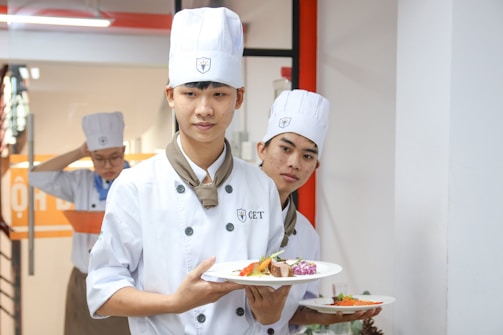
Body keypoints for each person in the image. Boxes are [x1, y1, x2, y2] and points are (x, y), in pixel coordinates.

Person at [86, 7, 287, 335]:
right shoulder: (137, 185)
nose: (204, 109)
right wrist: (175, 303)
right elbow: (102, 293)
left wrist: (270, 310)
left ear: (239, 98)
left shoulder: (261, 187)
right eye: (190, 94)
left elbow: (267, 308)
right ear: (170, 96)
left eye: (219, 94)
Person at [251, 89, 381, 334]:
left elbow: (294, 311)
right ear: (262, 149)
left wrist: (329, 316)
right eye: (286, 149)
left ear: (315, 166)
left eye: (307, 155)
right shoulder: (227, 213)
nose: (294, 163)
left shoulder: (306, 234)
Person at [28, 111, 131, 335]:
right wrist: (78, 153)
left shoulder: (138, 182)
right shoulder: (81, 182)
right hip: (84, 279)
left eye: (114, 156)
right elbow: (36, 176)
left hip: (126, 281)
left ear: (124, 151)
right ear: (90, 156)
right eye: (99, 158)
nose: (107, 165)